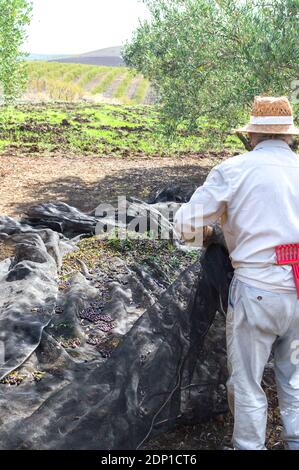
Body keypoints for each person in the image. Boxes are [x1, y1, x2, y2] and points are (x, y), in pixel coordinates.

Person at [174, 96, 299, 450]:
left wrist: (213, 236)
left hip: (257, 291)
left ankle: (249, 445)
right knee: (294, 380)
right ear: (289, 137)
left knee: (247, 384)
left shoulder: (234, 169)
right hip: (298, 289)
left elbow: (185, 226)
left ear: (252, 136)